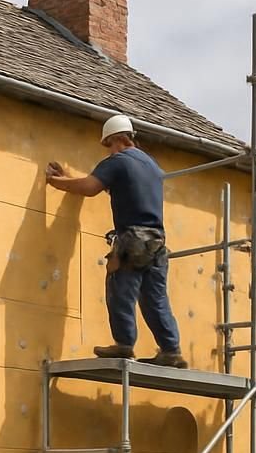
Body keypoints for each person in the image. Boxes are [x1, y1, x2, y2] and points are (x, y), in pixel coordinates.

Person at [46, 114, 187, 368]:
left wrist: (57, 182)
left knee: (120, 288)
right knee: (154, 298)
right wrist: (69, 177)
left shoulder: (118, 161)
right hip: (157, 241)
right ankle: (171, 350)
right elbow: (112, 186)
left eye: (109, 145)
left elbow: (90, 187)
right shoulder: (150, 165)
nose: (109, 151)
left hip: (132, 239)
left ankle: (123, 345)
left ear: (118, 139)